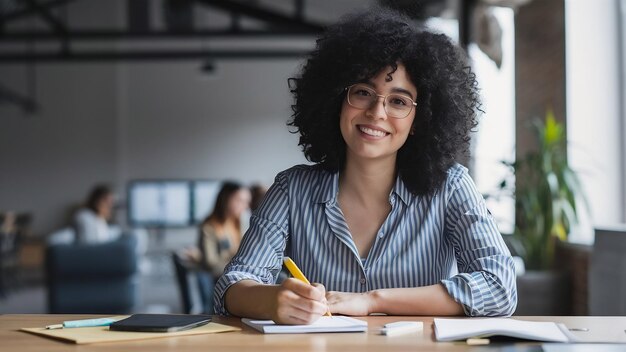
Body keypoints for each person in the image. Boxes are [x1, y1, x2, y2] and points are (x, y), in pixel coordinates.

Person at [214, 7, 517, 323]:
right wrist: (271, 299)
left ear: (420, 119)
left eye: (398, 101)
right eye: (362, 92)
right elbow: (232, 285)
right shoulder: (292, 190)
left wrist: (372, 301)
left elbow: (500, 287)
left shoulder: (450, 187)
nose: (376, 112)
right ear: (337, 99)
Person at [198, 182, 251, 278]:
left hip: (236, 276)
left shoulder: (239, 223)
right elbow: (210, 263)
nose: (245, 206)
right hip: (217, 280)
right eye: (239, 200)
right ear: (225, 200)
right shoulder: (209, 227)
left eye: (246, 201)